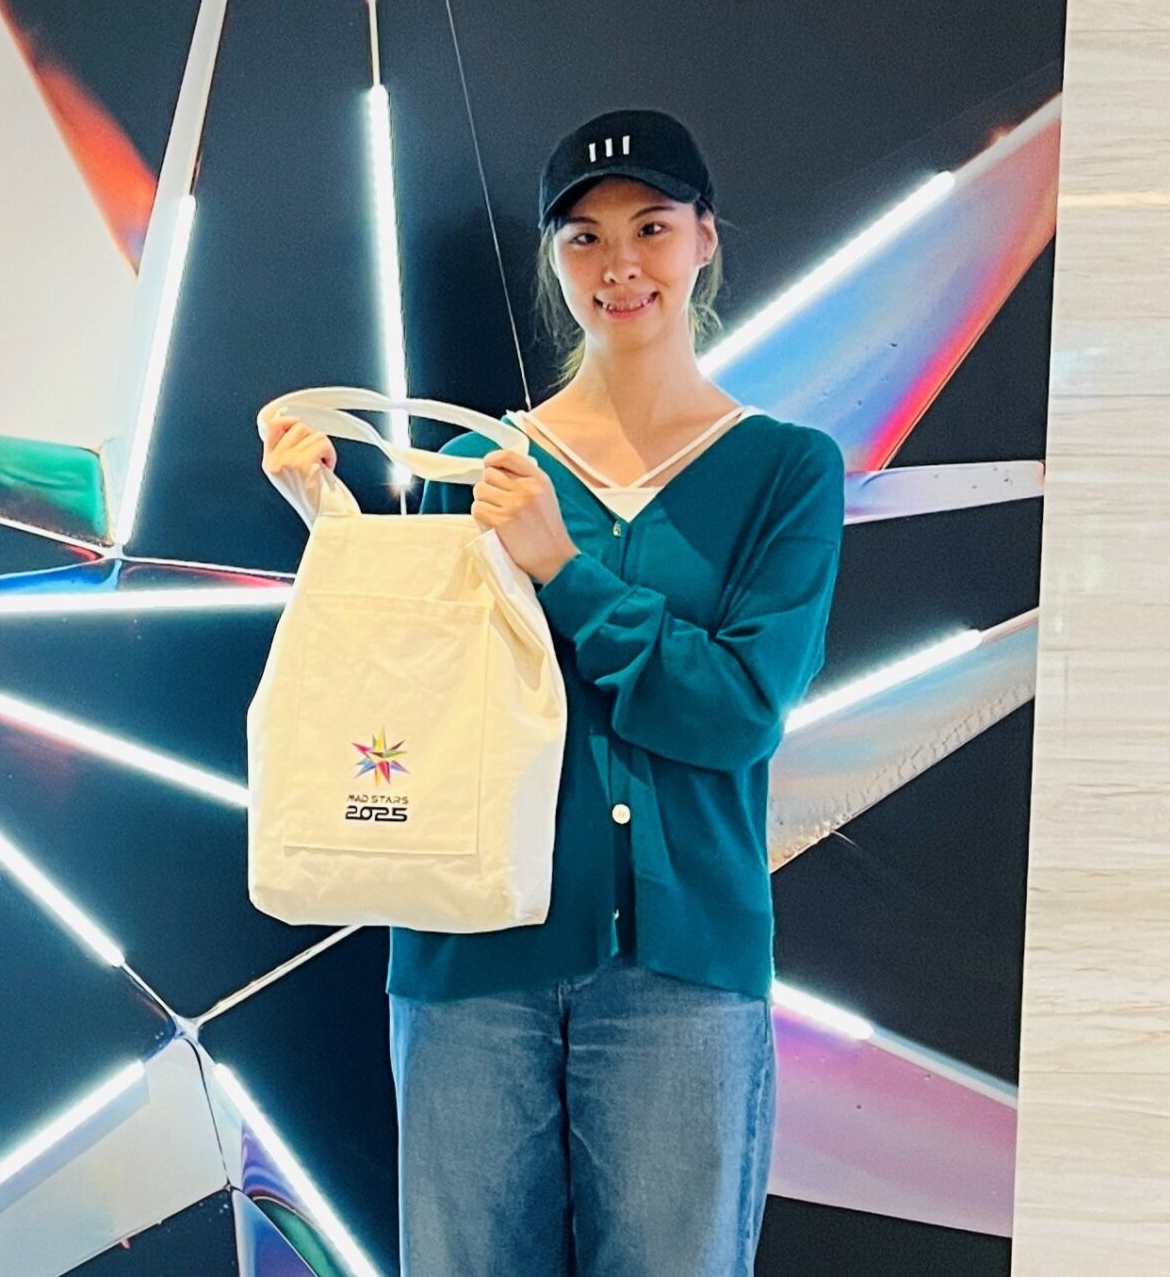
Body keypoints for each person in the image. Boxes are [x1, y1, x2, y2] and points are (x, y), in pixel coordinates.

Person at [260, 108, 844, 1277]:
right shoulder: (477, 465)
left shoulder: (786, 468)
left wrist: (563, 571)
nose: (619, 263)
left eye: (650, 226)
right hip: (468, 956)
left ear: (704, 237)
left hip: (682, 970)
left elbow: (736, 711)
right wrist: (328, 524)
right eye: (583, 237)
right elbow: (415, 687)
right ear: (553, 260)